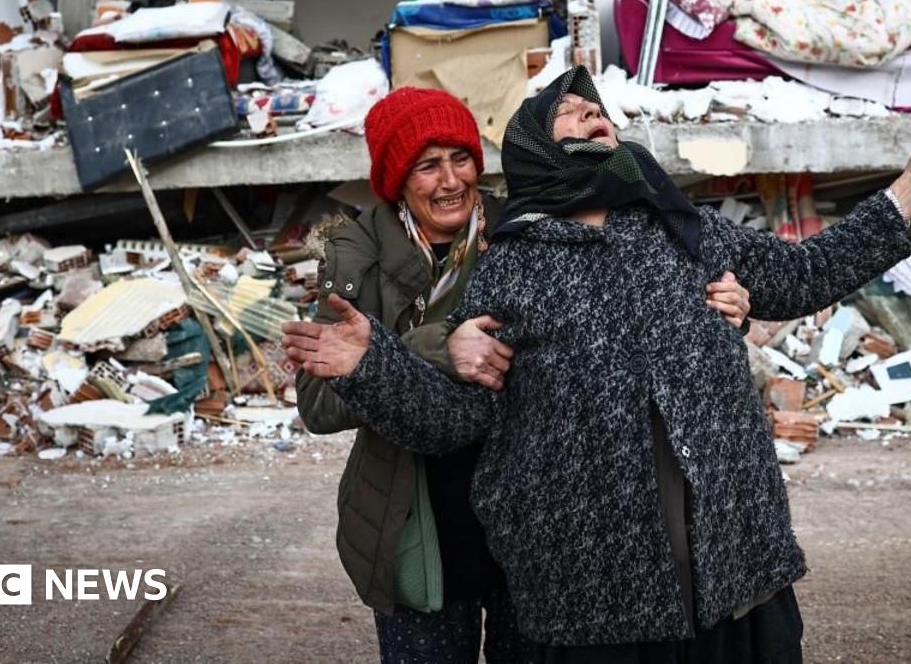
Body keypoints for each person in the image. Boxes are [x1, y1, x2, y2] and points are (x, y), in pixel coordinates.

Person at [283, 67, 911, 662]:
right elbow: (459, 418)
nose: (593, 115)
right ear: (535, 147)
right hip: (601, 591)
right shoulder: (515, 266)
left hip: (733, 571)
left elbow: (808, 272)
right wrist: (376, 363)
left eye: (600, 111)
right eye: (571, 111)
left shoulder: (688, 233)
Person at [295, 85, 754, 663]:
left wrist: (722, 304)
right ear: (396, 180)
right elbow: (318, 402)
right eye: (427, 166)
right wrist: (435, 345)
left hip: (535, 508)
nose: (451, 181)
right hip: (422, 517)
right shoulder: (354, 260)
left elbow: (632, 298)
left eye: (460, 159)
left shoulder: (530, 221)